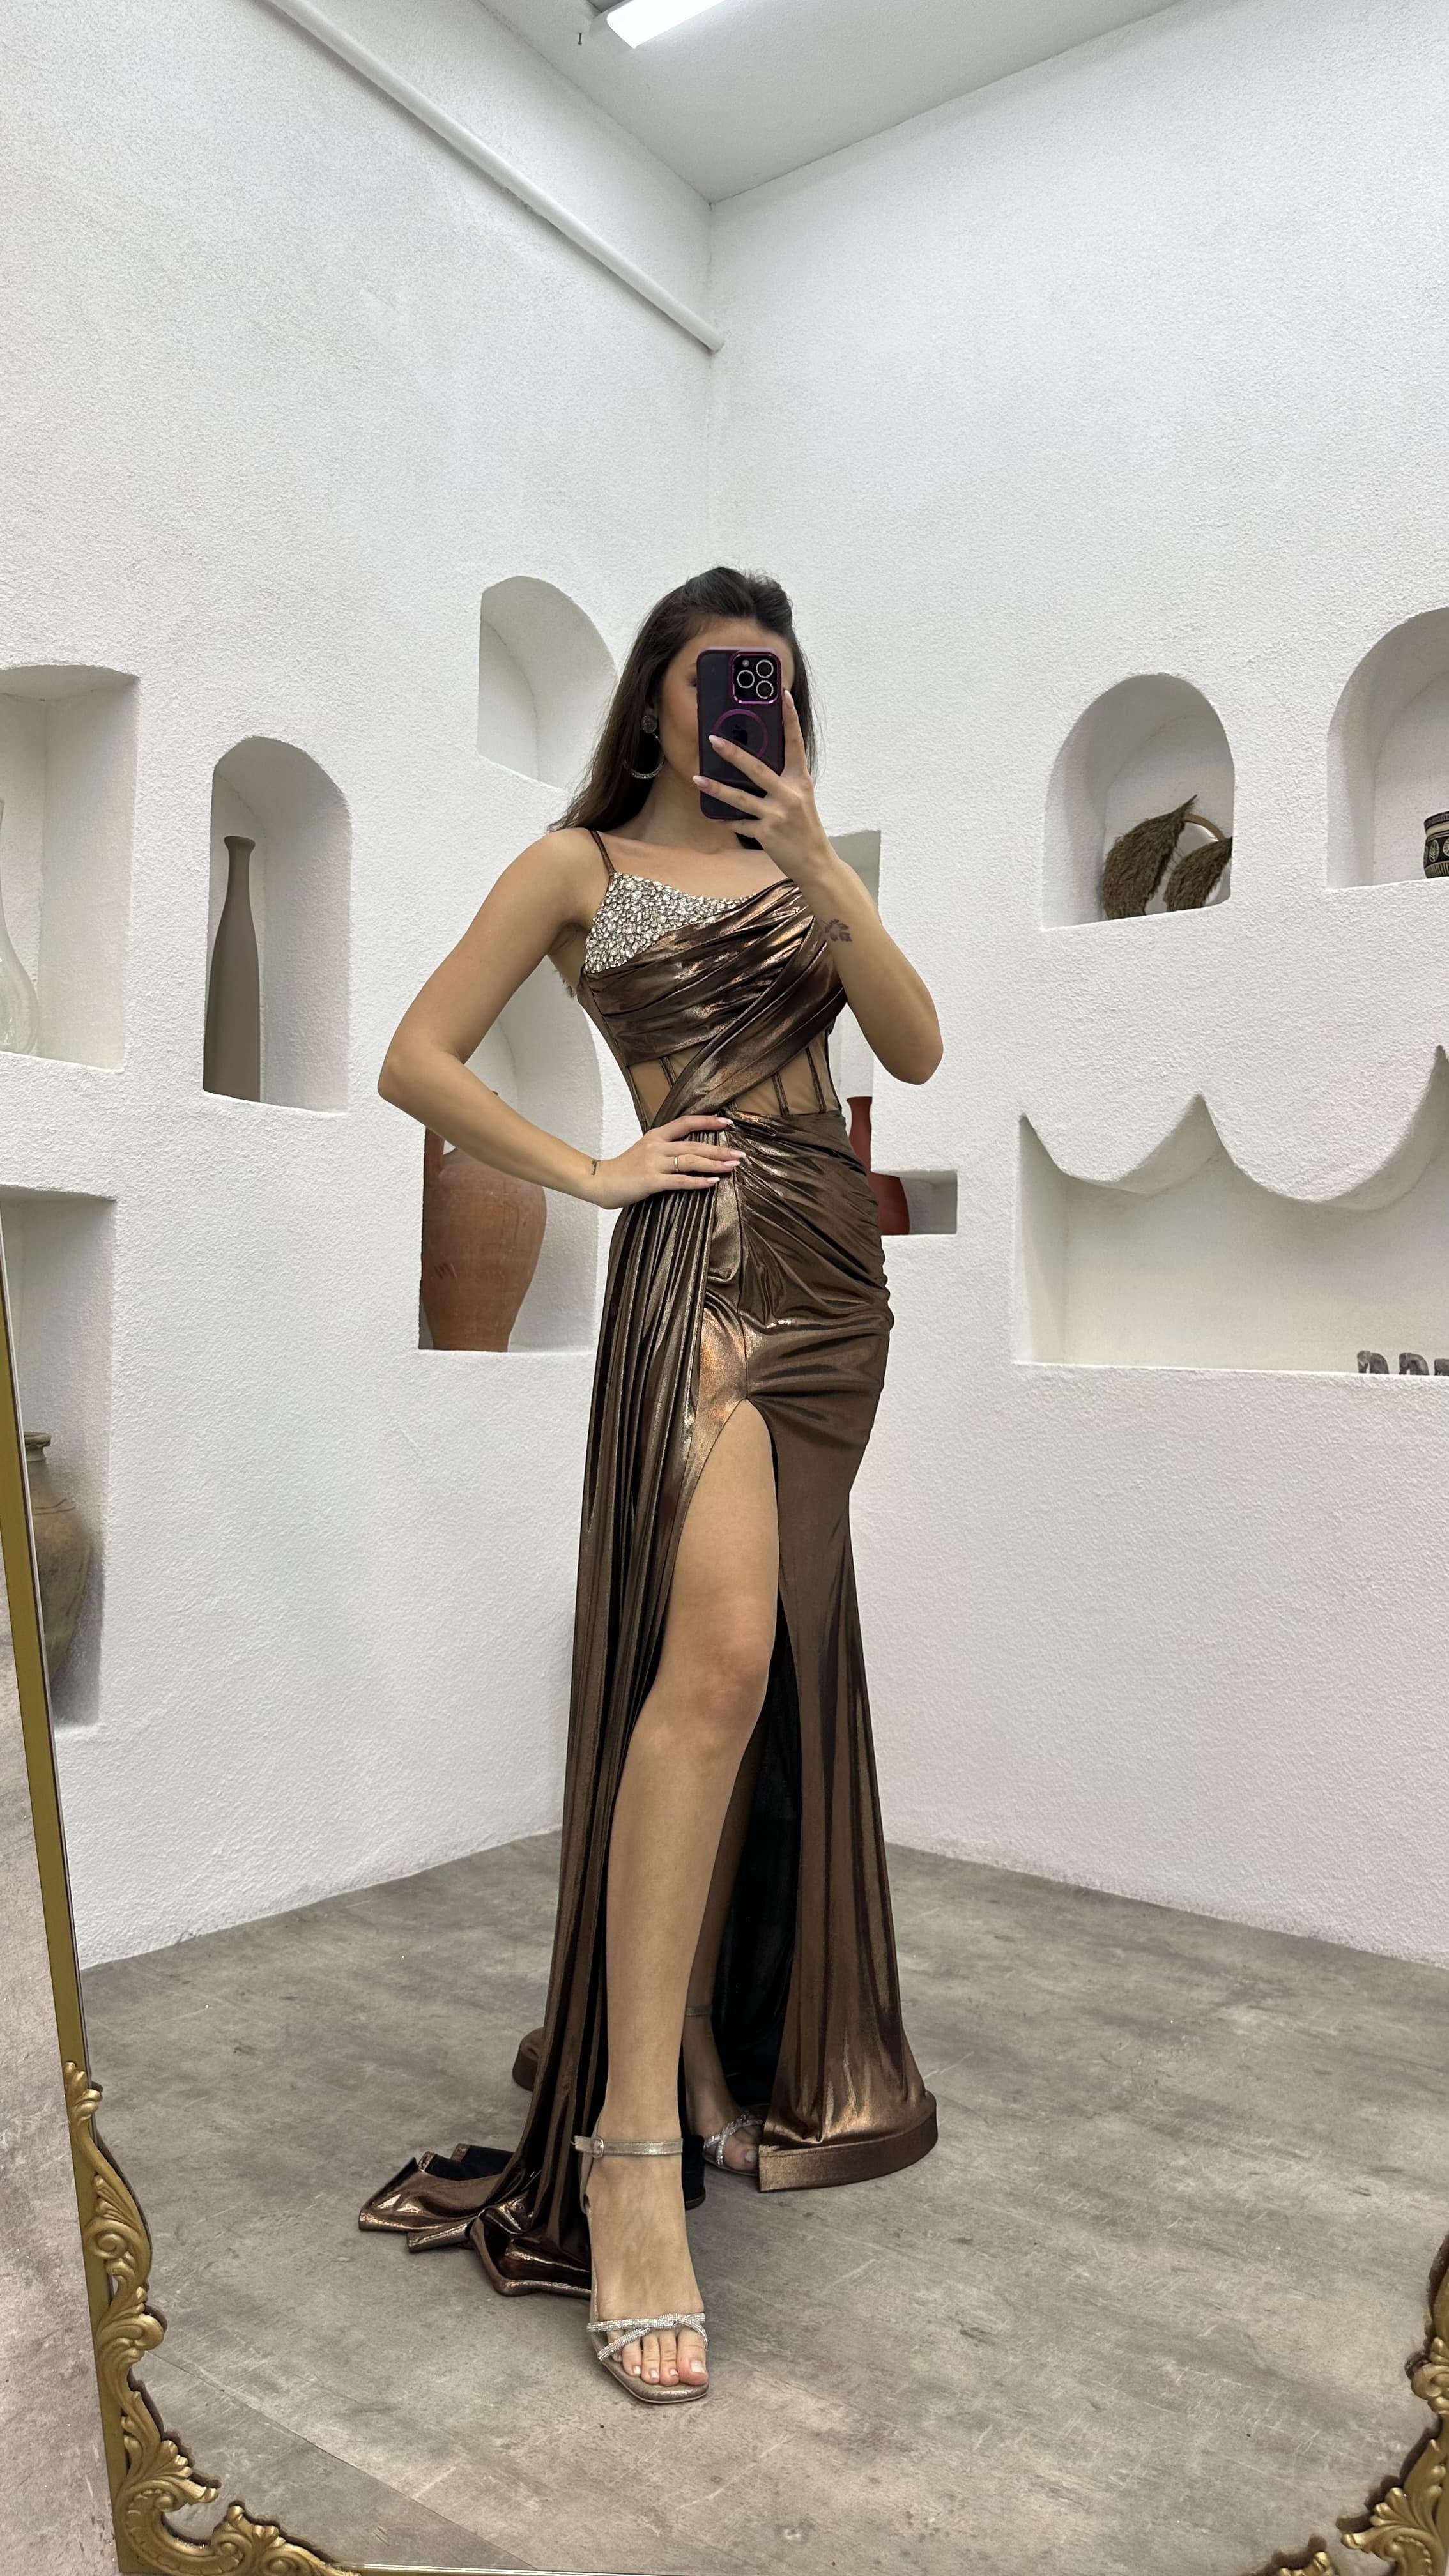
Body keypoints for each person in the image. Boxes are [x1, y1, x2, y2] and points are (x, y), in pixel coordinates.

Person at [367, 565, 941, 2404]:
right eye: (716, 682)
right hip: (698, 1265)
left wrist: (825, 861)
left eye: (774, 682)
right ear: (654, 704)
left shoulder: (800, 868)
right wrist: (595, 1172)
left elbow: (915, 1048)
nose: (745, 710)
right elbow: (413, 1059)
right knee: (715, 1668)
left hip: (835, 1281)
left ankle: (693, 2054)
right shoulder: (578, 868)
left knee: (756, 1680)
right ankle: (625, 2151)